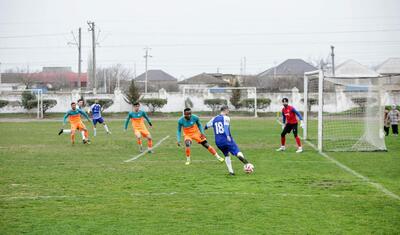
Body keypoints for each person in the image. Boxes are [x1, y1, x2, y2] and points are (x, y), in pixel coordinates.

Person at [205, 106, 252, 175]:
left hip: (218, 142)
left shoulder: (214, 118)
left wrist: (202, 132)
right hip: (226, 139)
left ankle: (231, 172)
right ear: (225, 110)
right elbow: (226, 127)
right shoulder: (226, 118)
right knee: (237, 152)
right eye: (228, 110)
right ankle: (247, 164)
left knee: (226, 155)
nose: (229, 111)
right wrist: (227, 136)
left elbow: (206, 126)